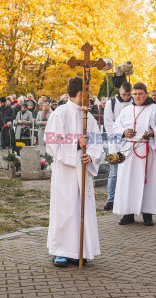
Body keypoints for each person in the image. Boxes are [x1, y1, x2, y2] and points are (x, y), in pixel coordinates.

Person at [45, 76, 103, 267]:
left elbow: (97, 142)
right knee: (65, 209)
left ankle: (79, 249)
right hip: (66, 171)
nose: (90, 97)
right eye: (88, 93)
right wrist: (76, 145)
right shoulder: (60, 114)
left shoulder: (89, 116)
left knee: (81, 209)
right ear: (80, 93)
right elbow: (52, 143)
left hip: (83, 169)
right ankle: (60, 250)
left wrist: (91, 156)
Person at [113, 83, 156, 226]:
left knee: (147, 182)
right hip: (128, 152)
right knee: (128, 182)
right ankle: (128, 213)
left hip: (146, 151)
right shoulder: (127, 110)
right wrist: (123, 132)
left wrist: (153, 133)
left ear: (146, 94)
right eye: (135, 94)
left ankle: (147, 214)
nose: (137, 96)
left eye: (140, 93)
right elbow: (116, 126)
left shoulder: (155, 110)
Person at [102, 81, 133, 211]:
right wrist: (120, 135)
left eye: (128, 95)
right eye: (124, 94)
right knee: (114, 172)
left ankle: (127, 198)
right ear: (119, 91)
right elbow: (109, 123)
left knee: (129, 171)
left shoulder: (134, 103)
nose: (126, 97)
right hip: (115, 141)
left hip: (131, 140)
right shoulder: (111, 103)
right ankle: (111, 199)